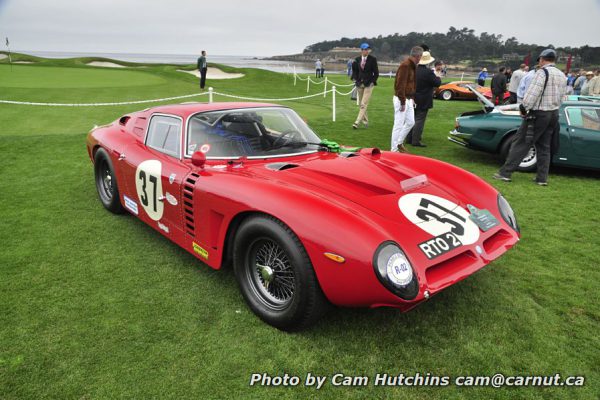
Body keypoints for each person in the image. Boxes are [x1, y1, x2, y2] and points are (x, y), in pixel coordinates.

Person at [494, 49, 566, 186]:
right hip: (553, 113)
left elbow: (533, 93)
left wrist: (523, 108)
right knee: (544, 146)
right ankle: (542, 178)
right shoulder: (561, 74)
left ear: (542, 59)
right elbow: (563, 96)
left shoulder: (542, 73)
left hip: (539, 113)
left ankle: (505, 173)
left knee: (521, 142)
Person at [390, 46, 423, 152]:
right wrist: (403, 101)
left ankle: (399, 143)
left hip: (408, 99)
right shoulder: (405, 66)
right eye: (421, 56)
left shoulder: (412, 66)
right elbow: (400, 85)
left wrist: (412, 98)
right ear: (418, 56)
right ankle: (394, 150)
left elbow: (411, 84)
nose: (421, 59)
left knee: (411, 122)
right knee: (398, 125)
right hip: (401, 99)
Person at [405, 51, 441, 147]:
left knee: (412, 118)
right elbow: (437, 83)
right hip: (424, 99)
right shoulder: (428, 72)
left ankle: (409, 138)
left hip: (413, 97)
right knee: (419, 120)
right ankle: (415, 140)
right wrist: (437, 74)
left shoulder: (413, 69)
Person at [351, 43, 379, 129]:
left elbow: (376, 73)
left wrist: (372, 81)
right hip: (360, 84)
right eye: (365, 49)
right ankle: (365, 121)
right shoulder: (357, 60)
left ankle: (357, 122)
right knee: (361, 104)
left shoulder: (373, 59)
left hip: (369, 84)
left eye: (368, 49)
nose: (367, 51)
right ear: (362, 50)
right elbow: (355, 72)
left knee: (364, 103)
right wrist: (355, 79)